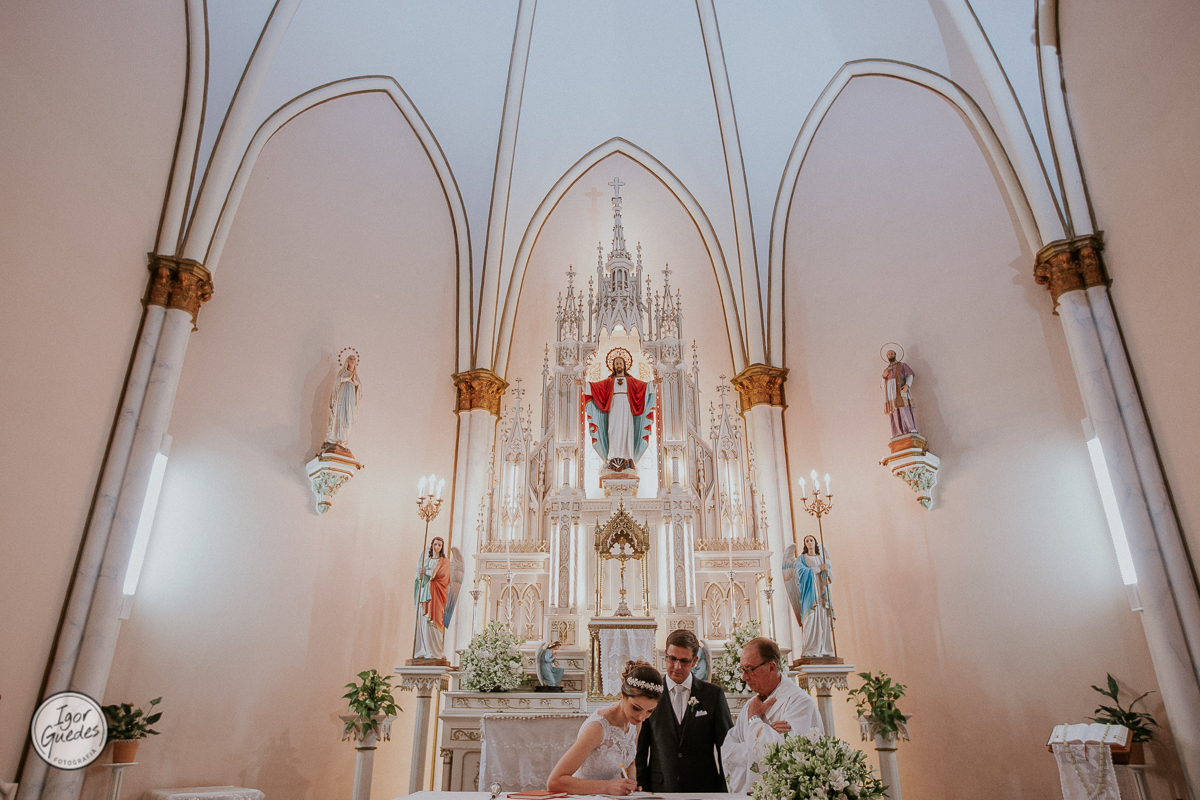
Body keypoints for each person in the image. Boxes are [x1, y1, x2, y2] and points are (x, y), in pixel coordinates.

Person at [720, 637, 823, 793]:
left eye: (750, 669)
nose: (744, 677)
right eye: (742, 669)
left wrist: (755, 721)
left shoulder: (800, 703)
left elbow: (788, 757)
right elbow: (727, 751)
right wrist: (767, 735)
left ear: (771, 667)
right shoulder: (751, 705)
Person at [635, 629, 733, 792]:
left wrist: (726, 791)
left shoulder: (713, 695)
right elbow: (641, 750)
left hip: (705, 790)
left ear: (695, 660)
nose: (677, 667)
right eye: (672, 659)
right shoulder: (651, 693)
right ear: (665, 655)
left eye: (684, 661)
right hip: (660, 789)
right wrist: (642, 791)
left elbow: (727, 749)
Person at [548, 660, 663, 795]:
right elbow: (554, 782)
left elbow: (630, 762)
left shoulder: (635, 722)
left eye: (650, 711)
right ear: (623, 695)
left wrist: (630, 785)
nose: (642, 717)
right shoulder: (597, 727)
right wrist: (608, 787)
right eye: (636, 708)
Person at [583, 349, 655, 473]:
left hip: (626, 409)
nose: (618, 365)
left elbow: (643, 387)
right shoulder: (609, 381)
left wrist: (653, 384)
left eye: (620, 363)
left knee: (627, 430)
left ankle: (628, 458)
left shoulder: (631, 380)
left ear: (624, 365)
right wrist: (584, 384)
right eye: (616, 363)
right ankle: (612, 457)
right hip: (614, 408)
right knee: (613, 431)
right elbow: (596, 388)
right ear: (613, 366)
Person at [794, 535, 836, 658]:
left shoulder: (821, 558)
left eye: (811, 540)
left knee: (824, 619)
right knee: (810, 620)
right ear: (805, 544)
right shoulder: (801, 559)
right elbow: (800, 574)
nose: (809, 542)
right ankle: (810, 649)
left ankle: (824, 649)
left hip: (822, 595)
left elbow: (829, 578)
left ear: (815, 543)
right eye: (807, 541)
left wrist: (827, 573)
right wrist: (818, 569)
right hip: (809, 594)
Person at [413, 537, 450, 659]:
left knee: (436, 621)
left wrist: (427, 572)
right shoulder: (427, 561)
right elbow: (420, 578)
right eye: (435, 544)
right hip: (426, 595)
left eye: (440, 545)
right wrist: (420, 574)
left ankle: (436, 652)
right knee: (424, 622)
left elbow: (443, 576)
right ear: (432, 545)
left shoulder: (444, 561)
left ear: (442, 547)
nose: (437, 547)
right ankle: (425, 649)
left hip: (437, 596)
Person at [324, 351, 361, 449]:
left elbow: (359, 388)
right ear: (347, 361)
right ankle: (334, 438)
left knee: (347, 417)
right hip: (341, 397)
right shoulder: (342, 372)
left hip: (350, 399)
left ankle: (344, 440)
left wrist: (355, 381)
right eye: (351, 359)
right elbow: (337, 381)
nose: (353, 360)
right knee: (339, 414)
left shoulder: (356, 375)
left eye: (354, 359)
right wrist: (347, 378)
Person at [881, 349, 917, 438]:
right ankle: (898, 432)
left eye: (892, 353)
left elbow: (910, 375)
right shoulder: (886, 370)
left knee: (904, 408)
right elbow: (882, 385)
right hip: (890, 394)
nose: (890, 355)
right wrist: (883, 376)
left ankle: (910, 428)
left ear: (895, 354)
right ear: (887, 357)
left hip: (900, 390)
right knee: (894, 411)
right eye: (888, 354)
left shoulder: (902, 365)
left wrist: (907, 385)